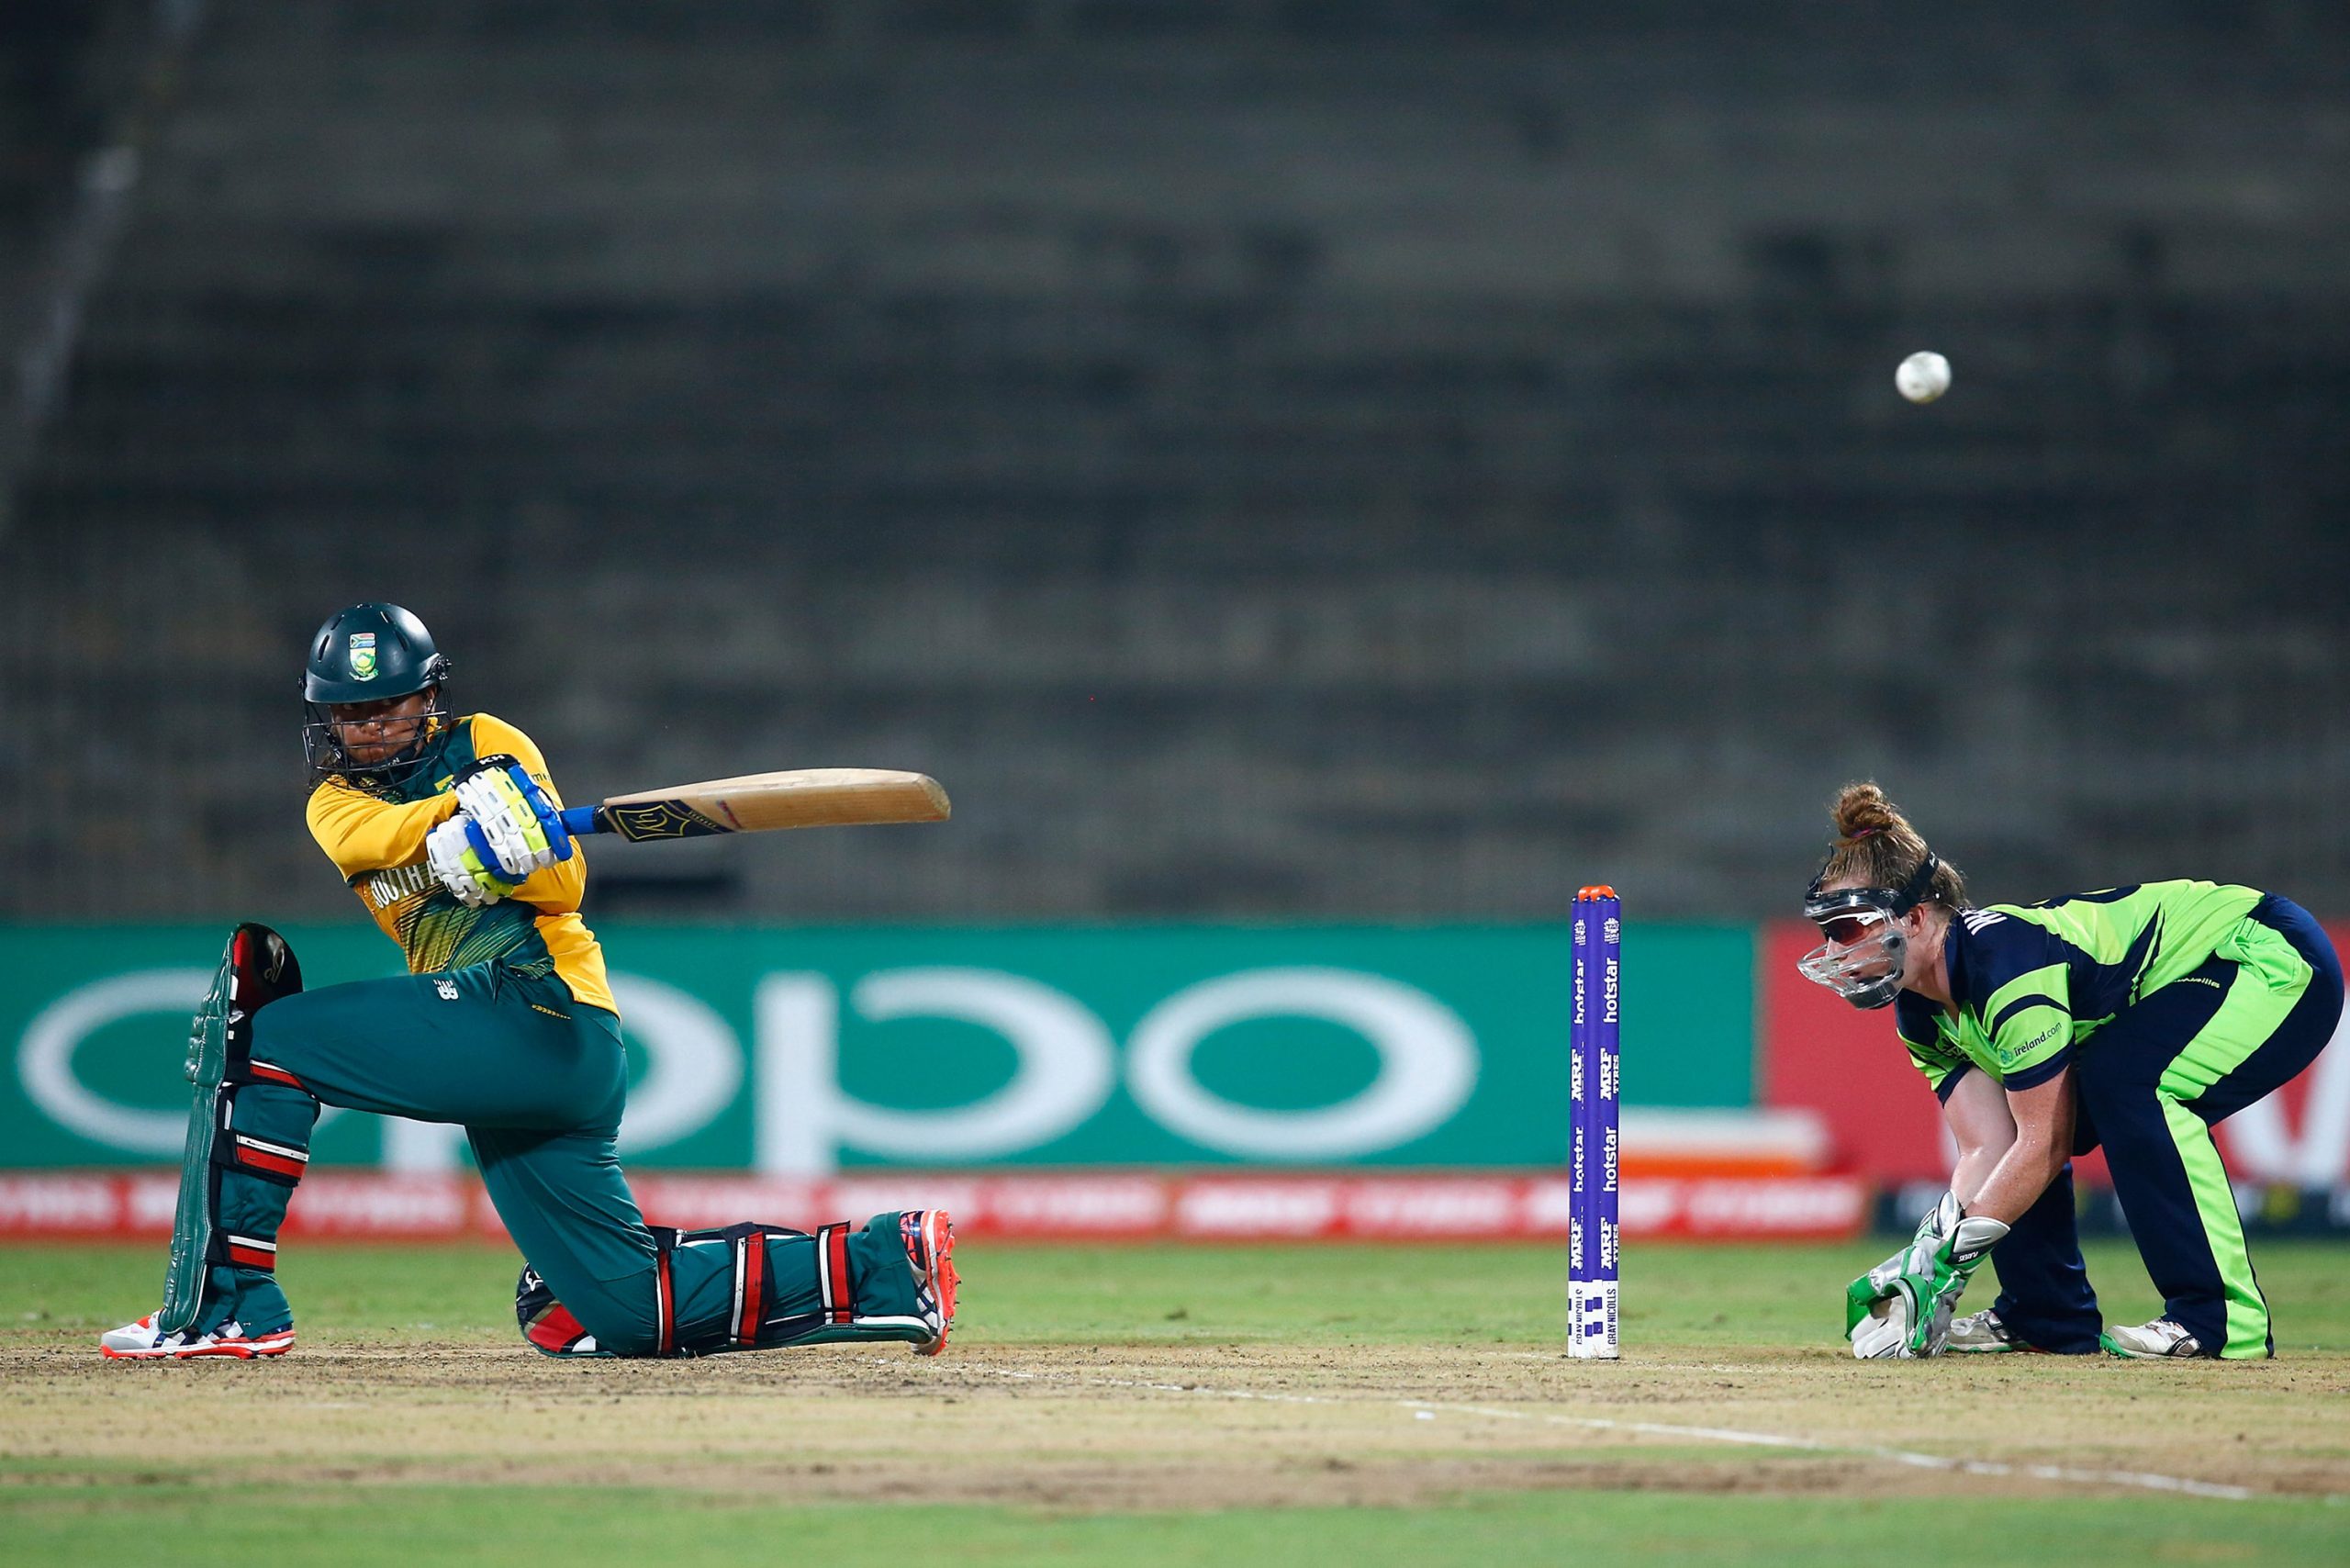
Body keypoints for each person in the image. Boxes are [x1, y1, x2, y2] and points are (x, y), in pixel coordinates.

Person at [102, 602, 957, 1361]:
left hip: (538, 1008)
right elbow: (377, 842)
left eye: (385, 706)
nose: (367, 727)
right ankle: (886, 1262)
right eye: (347, 712)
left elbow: (564, 889)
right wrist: (453, 824)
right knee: (630, 1311)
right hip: (510, 1062)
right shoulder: (334, 802)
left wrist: (520, 847)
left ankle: (229, 1309)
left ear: (426, 697)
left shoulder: (490, 743)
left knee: (267, 1041)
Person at [1804, 782, 2341, 1361]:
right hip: (2202, 975)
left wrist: (1945, 1267)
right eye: (1828, 932)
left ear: (1912, 918)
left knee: (2128, 1081)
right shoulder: (1920, 1014)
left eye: (1849, 927)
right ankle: (2046, 1318)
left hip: (2267, 954)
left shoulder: (2004, 968)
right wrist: (1926, 1254)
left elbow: (2045, 1142)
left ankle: (2218, 1321)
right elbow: (1990, 1148)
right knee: (2056, 1112)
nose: (1836, 949)